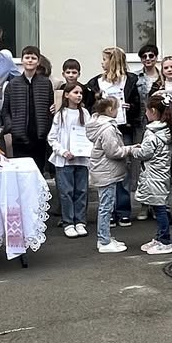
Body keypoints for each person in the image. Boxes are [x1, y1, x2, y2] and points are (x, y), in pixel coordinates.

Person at [85, 46, 143, 226]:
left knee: (122, 169)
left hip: (122, 128)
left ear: (113, 61)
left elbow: (137, 106)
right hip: (104, 129)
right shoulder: (96, 82)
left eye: (104, 59)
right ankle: (107, 210)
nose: (102, 63)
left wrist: (130, 109)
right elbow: (89, 106)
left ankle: (123, 210)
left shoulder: (130, 80)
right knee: (105, 169)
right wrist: (97, 101)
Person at [0, 46, 56, 175]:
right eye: (27, 57)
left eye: (33, 58)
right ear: (22, 60)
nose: (30, 60)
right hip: (19, 137)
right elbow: (5, 110)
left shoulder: (46, 83)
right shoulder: (13, 84)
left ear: (38, 61)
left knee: (38, 172)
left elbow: (51, 109)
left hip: (40, 136)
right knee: (21, 172)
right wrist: (11, 127)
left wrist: (47, 128)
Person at [86, 92, 131, 253]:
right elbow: (114, 152)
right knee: (106, 206)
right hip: (106, 171)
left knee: (106, 205)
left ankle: (105, 236)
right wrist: (130, 149)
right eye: (117, 108)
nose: (118, 111)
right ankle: (103, 240)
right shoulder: (108, 129)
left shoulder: (99, 123)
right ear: (111, 109)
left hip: (103, 170)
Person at [134, 95, 172, 254]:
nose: (145, 113)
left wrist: (134, 150)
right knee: (158, 206)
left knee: (159, 210)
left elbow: (144, 153)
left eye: (146, 110)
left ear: (153, 111)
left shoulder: (152, 132)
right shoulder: (166, 129)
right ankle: (159, 237)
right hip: (161, 174)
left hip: (154, 175)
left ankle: (165, 241)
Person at [49, 80, 93, 237]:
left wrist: (87, 149)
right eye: (75, 92)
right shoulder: (61, 115)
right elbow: (52, 138)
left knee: (81, 190)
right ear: (67, 95)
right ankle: (68, 222)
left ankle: (80, 221)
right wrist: (63, 151)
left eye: (81, 93)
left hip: (81, 159)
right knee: (66, 191)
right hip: (65, 160)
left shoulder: (85, 113)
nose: (79, 95)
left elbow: (89, 134)